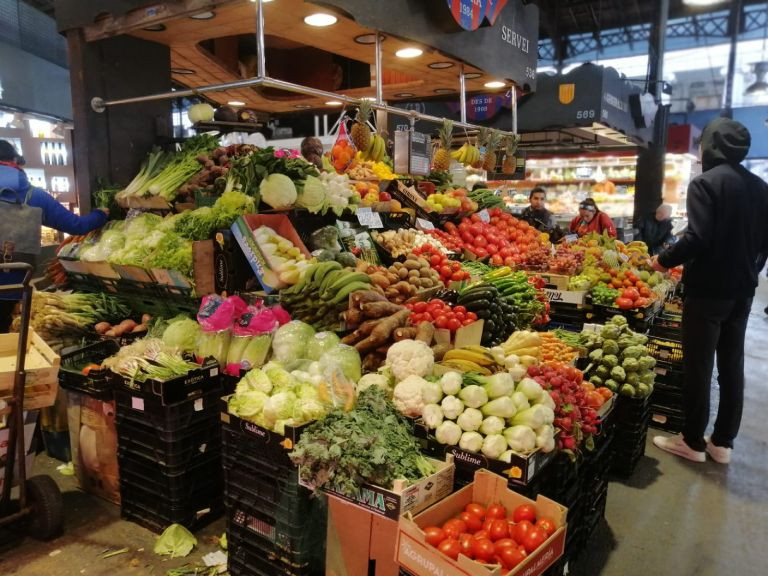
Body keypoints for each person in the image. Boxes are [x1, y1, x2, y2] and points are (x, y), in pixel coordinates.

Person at [651, 118, 768, 465]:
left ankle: (691, 441)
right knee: (732, 365)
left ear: (711, 146)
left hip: (707, 292)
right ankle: (722, 443)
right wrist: (751, 270)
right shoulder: (761, 188)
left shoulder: (705, 184)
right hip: (742, 291)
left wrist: (661, 260)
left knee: (698, 366)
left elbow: (696, 237)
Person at [1, 140, 109, 332]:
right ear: (16, 162)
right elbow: (76, 226)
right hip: (12, 284)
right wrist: (101, 214)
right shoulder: (34, 196)